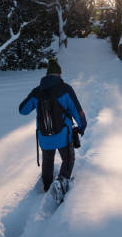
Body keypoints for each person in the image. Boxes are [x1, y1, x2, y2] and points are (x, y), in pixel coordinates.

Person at [19, 58, 87, 192]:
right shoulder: (66, 89)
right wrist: (81, 127)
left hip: (44, 137)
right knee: (68, 159)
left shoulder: (37, 92)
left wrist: (34, 97)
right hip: (64, 136)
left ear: (47, 75)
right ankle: (62, 181)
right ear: (59, 74)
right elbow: (78, 112)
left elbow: (22, 110)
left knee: (48, 161)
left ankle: (47, 186)